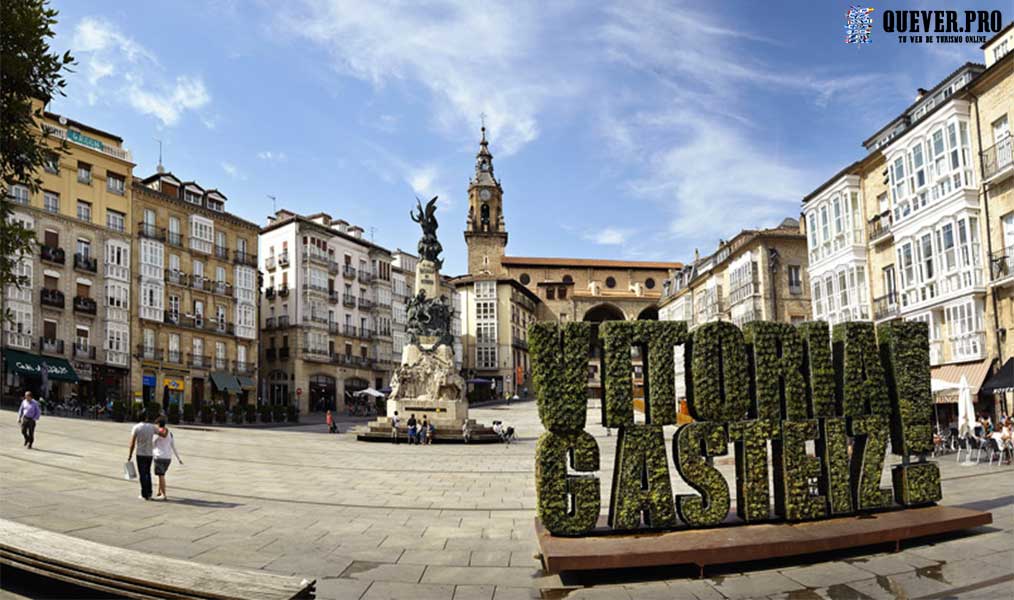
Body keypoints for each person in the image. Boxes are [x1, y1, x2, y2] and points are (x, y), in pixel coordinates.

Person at [128, 410, 166, 500]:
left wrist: (130, 455)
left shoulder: (136, 427)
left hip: (140, 453)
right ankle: (149, 492)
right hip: (149, 453)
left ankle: (144, 493)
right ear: (146, 417)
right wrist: (164, 426)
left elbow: (132, 443)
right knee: (147, 473)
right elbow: (163, 434)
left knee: (142, 474)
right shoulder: (152, 427)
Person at [152, 417, 183, 500]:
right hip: (168, 458)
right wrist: (178, 458)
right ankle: (159, 491)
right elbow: (173, 446)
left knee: (161, 475)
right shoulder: (170, 433)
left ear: (158, 424)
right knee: (161, 475)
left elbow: (152, 443)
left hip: (159, 456)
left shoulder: (158, 433)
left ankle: (164, 494)